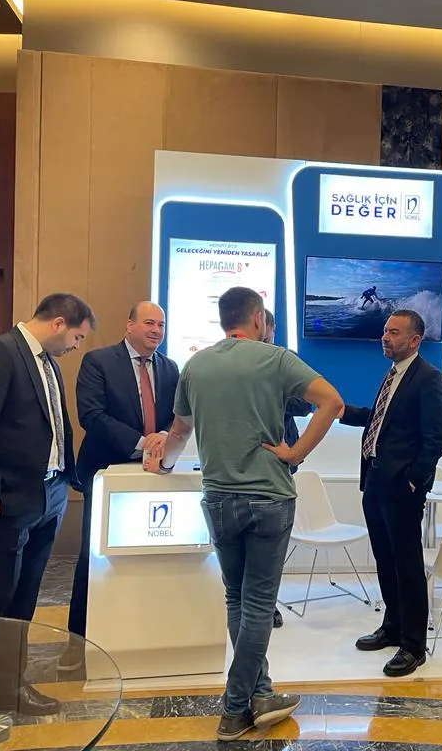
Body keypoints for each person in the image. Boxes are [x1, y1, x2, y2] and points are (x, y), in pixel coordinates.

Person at [146, 287, 343, 741]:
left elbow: (180, 431)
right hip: (268, 498)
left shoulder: (196, 365)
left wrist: (165, 464)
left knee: (237, 599)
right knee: (257, 604)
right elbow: (331, 402)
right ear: (257, 318)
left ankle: (261, 693)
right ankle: (235, 708)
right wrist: (294, 453)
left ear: (223, 320)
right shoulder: (276, 359)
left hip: (218, 498)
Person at [0, 293, 95, 717]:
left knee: (25, 597)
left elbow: (53, 426)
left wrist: (65, 479)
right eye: (77, 336)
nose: (77, 346)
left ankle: (11, 687)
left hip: (48, 495)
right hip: (6, 499)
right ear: (59, 323)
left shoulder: (47, 363)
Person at [60, 301, 180, 670]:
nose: (156, 330)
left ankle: (137, 634)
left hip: (153, 476)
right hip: (105, 472)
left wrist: (165, 437)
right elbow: (92, 416)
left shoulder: (170, 368)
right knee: (94, 559)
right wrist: (143, 442)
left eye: (161, 324)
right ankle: (78, 643)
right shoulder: (98, 362)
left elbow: (177, 415)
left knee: (146, 558)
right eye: (149, 323)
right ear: (129, 325)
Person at [340, 309, 442, 678]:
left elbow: (436, 438)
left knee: (407, 564)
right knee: (385, 560)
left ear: (414, 340)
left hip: (402, 487)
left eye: (394, 332)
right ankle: (393, 626)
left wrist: (414, 480)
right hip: (374, 482)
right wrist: (340, 411)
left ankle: (414, 645)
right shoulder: (392, 375)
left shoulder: (429, 379)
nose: (385, 337)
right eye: (385, 331)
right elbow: (380, 420)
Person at [262, 309, 313, 629]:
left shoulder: (286, 360)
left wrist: (267, 390)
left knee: (273, 541)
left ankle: (268, 604)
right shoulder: (228, 361)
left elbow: (305, 405)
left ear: (270, 328)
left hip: (281, 458)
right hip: (241, 457)